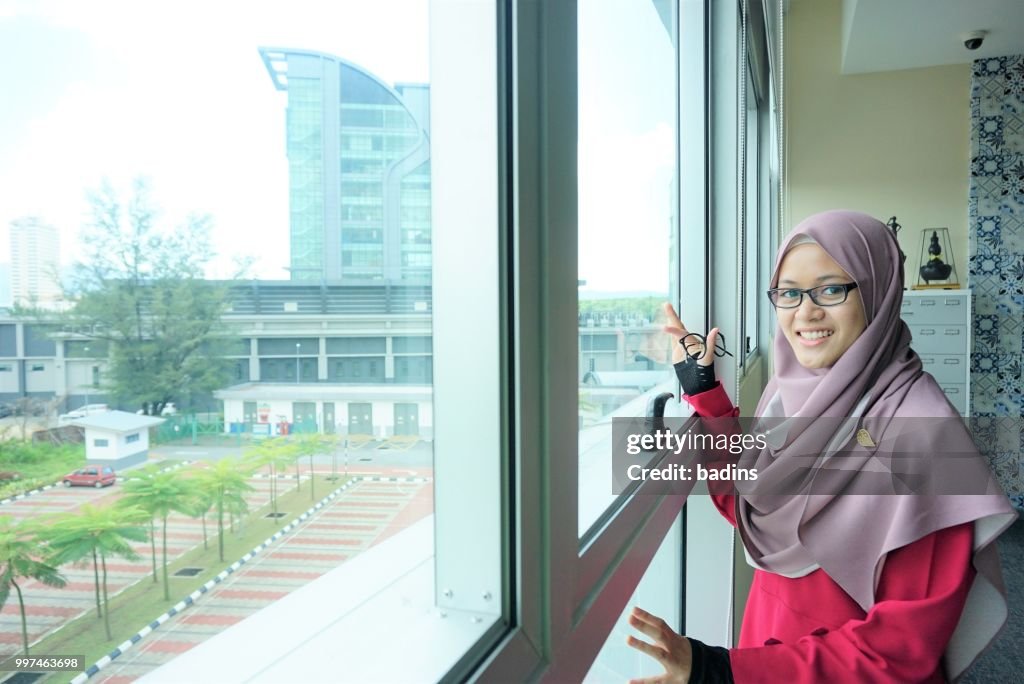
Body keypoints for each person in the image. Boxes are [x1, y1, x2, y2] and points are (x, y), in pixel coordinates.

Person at [626, 210, 1017, 683]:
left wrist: (722, 672)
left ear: (878, 292)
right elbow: (752, 503)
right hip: (768, 648)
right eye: (788, 292)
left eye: (831, 289)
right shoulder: (790, 397)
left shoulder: (923, 436)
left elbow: (899, 652)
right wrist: (704, 389)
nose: (805, 312)